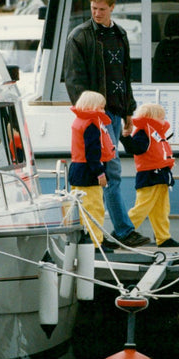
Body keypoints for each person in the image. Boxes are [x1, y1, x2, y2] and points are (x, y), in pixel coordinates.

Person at [63, 0, 150, 249]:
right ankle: (119, 231)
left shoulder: (121, 34)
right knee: (109, 170)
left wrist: (128, 113)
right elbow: (73, 80)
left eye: (101, 9)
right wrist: (90, 115)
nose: (96, 13)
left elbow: (125, 77)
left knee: (109, 171)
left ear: (112, 7)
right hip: (97, 115)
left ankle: (107, 232)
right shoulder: (79, 37)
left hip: (114, 112)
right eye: (93, 8)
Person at [120, 103, 179, 248]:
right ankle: (122, 233)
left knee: (161, 209)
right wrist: (125, 137)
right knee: (142, 207)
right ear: (152, 118)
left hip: (161, 175)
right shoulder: (143, 133)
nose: (164, 121)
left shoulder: (154, 133)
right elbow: (135, 149)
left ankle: (163, 238)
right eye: (161, 118)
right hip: (149, 175)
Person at [68, 91, 116, 252]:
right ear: (93, 106)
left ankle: (82, 240)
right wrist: (100, 173)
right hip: (89, 173)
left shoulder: (79, 121)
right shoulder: (91, 125)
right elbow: (93, 153)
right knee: (94, 208)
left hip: (77, 169)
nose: (103, 111)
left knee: (80, 209)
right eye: (101, 108)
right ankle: (95, 243)